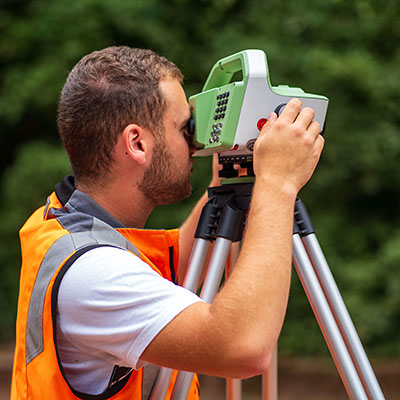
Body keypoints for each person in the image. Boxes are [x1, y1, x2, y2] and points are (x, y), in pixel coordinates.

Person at [11, 46, 324, 399]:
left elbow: (191, 264)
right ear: (137, 143)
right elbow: (243, 348)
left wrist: (241, 164)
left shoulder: (61, 222)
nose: (195, 143)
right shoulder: (94, 274)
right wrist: (278, 184)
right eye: (183, 128)